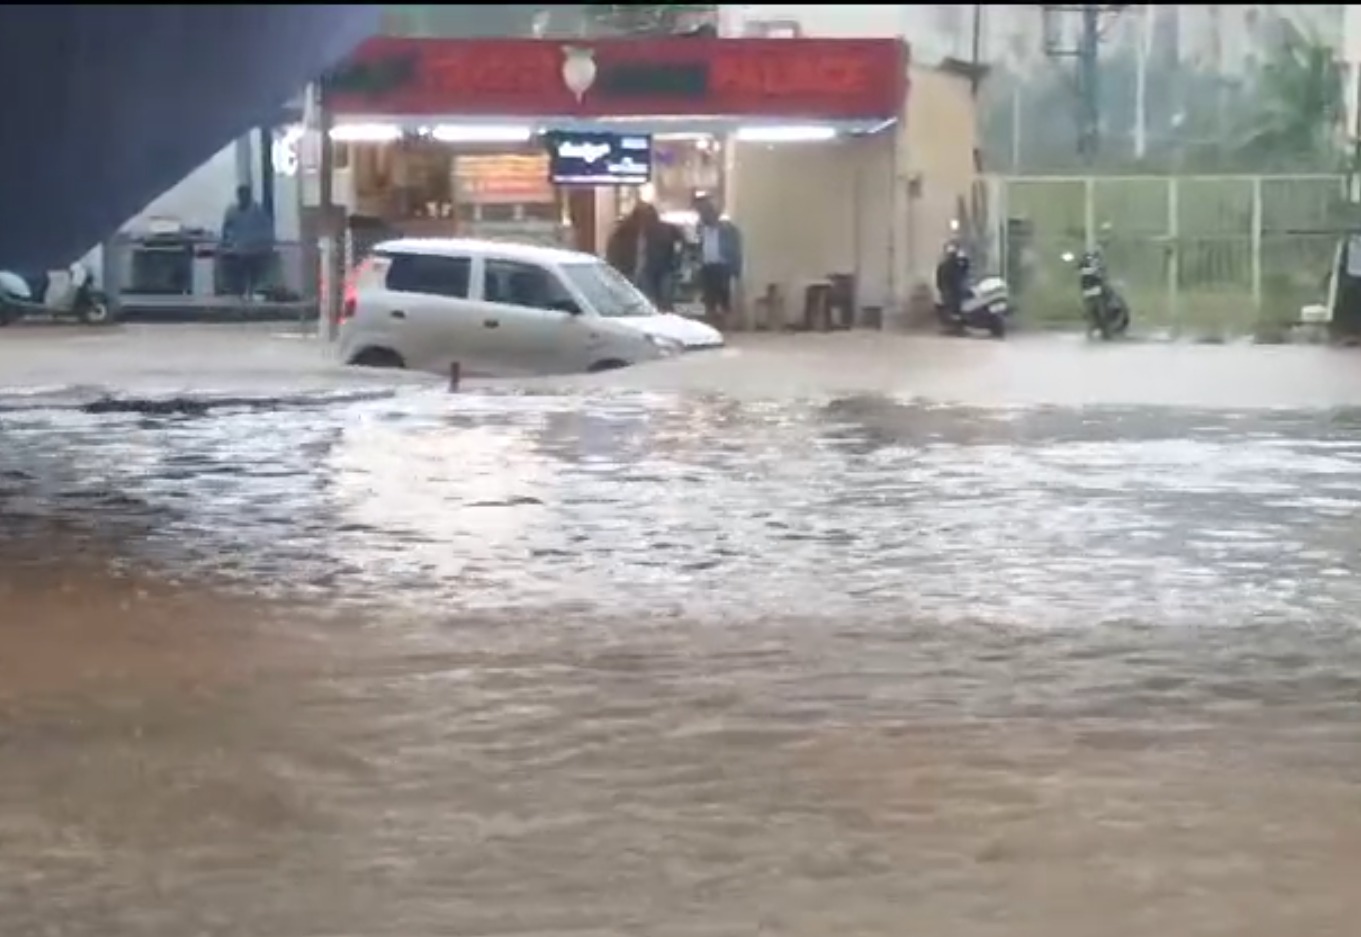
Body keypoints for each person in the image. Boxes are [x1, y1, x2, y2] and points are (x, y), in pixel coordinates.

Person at [605, 202, 681, 309]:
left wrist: (676, 262)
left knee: (659, 301)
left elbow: (680, 243)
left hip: (660, 269)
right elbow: (615, 251)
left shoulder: (664, 229)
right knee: (648, 300)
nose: (646, 220)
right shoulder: (625, 232)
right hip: (638, 271)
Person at [693, 194, 742, 326]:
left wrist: (736, 269)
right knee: (709, 298)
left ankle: (727, 323)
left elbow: (735, 249)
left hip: (722, 266)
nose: (702, 217)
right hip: (706, 266)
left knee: (724, 296)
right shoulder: (700, 229)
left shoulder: (727, 229)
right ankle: (713, 322)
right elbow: (697, 246)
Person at [221, 183, 275, 298]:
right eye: (241, 195)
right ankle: (240, 295)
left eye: (245, 195)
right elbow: (226, 229)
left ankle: (250, 294)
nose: (242, 197)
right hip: (238, 252)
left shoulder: (258, 212)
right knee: (237, 280)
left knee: (254, 280)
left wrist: (266, 246)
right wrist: (225, 244)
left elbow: (267, 231)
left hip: (255, 252)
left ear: (249, 196)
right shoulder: (232, 211)